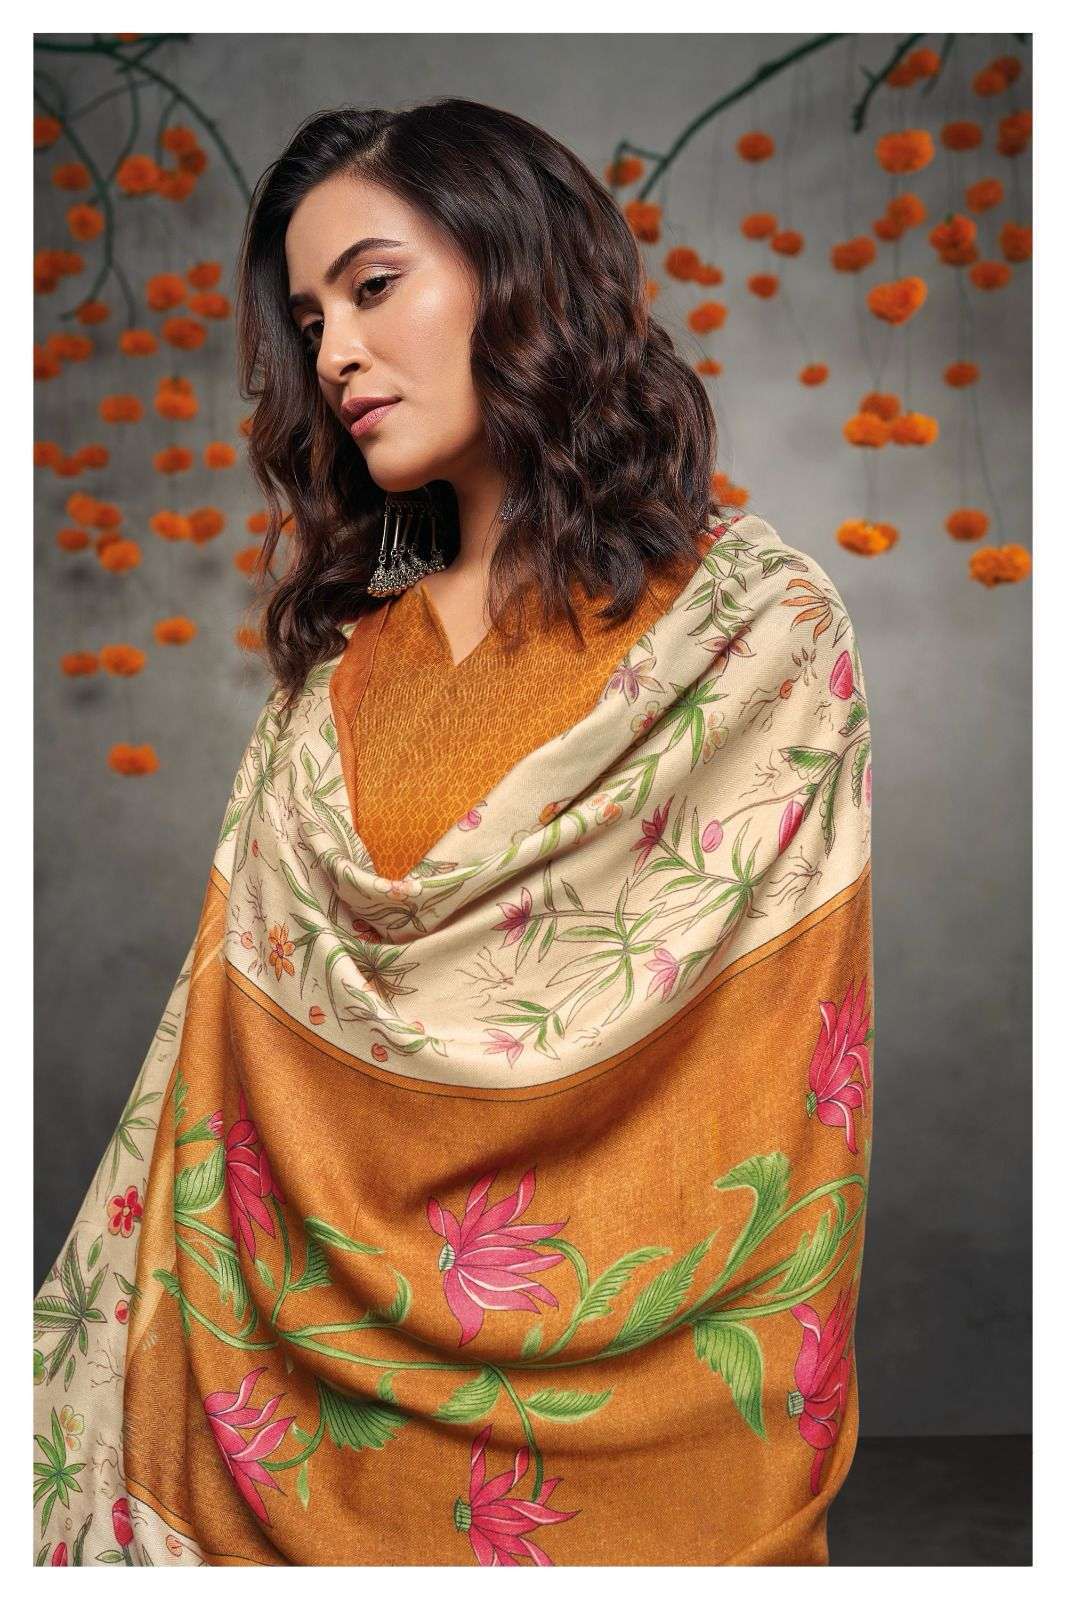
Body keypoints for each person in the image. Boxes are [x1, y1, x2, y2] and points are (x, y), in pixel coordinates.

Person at [34, 97, 874, 1567]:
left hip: (642, 1394)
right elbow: (230, 1054)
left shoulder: (754, 631)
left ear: (523, 269)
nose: (334, 354)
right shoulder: (342, 675)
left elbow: (760, 1070)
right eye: (310, 322)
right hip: (272, 1385)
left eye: (374, 287)